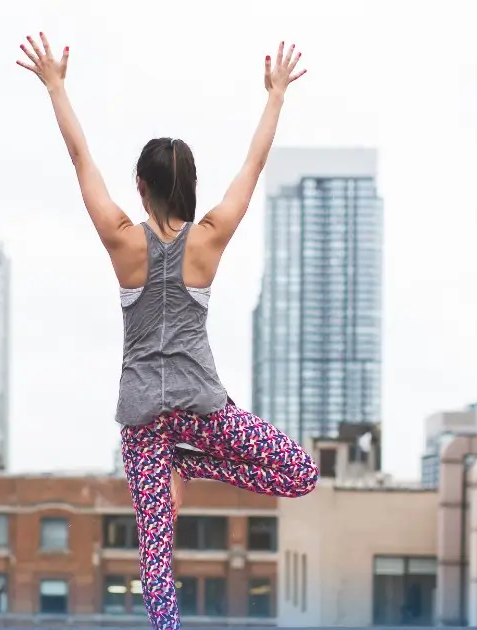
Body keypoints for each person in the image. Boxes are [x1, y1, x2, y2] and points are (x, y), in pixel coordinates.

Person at [17, 33, 319, 630]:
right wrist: (275, 96)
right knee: (301, 473)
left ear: (141, 187)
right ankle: (194, 462)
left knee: (156, 556)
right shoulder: (208, 238)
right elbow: (253, 166)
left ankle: (183, 479)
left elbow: (82, 162)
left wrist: (55, 86)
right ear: (189, 188)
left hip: (142, 422)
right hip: (202, 411)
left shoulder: (122, 239)